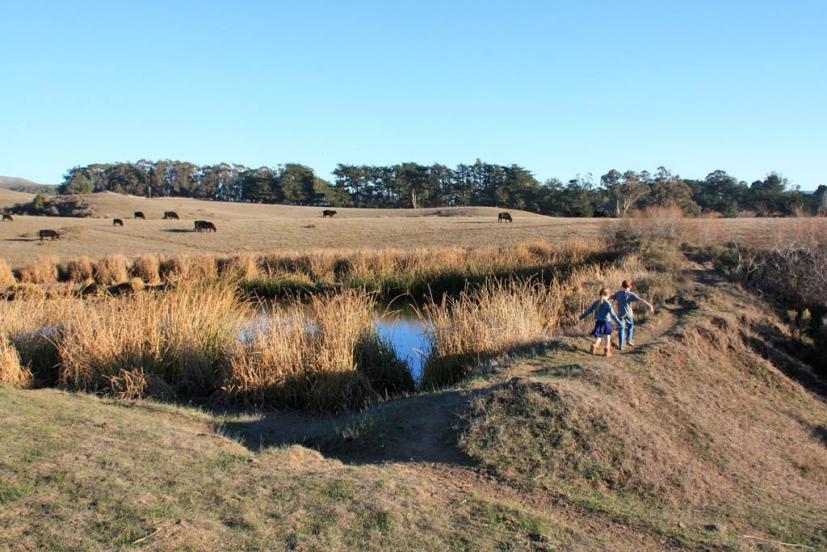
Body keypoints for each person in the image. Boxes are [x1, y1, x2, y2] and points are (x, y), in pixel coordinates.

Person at [579, 287, 623, 357]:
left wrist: (582, 316)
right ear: (608, 295)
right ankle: (607, 352)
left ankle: (594, 345)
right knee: (607, 337)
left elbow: (589, 311)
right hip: (606, 322)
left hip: (598, 322)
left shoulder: (596, 302)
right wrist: (619, 323)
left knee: (599, 336)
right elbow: (613, 315)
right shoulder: (608, 304)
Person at [612, 280, 654, 350]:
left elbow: (610, 297)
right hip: (629, 314)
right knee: (630, 327)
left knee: (621, 329)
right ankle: (629, 340)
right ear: (630, 286)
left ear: (622, 286)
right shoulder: (630, 294)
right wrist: (650, 306)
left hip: (621, 314)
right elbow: (641, 300)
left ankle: (621, 345)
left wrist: (602, 300)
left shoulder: (618, 293)